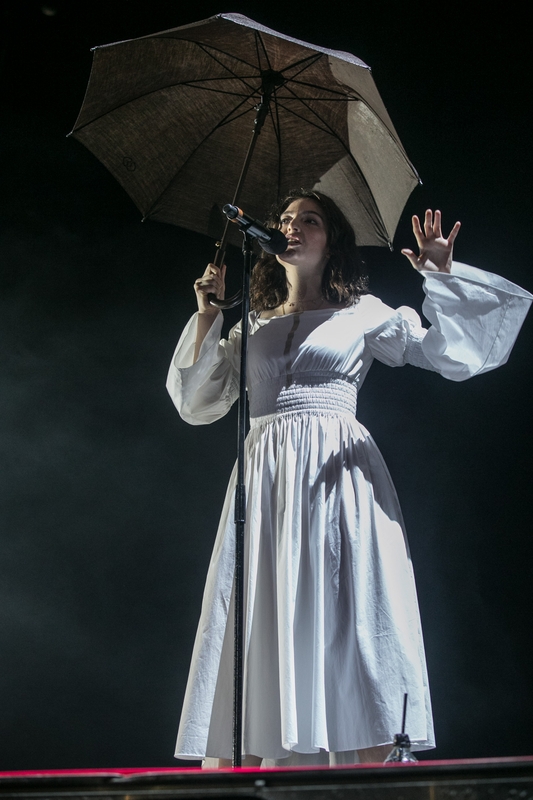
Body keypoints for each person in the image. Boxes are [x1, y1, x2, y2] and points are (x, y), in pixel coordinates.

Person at [167, 190, 531, 768]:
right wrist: (210, 311)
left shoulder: (361, 311)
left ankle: (370, 763)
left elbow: (448, 354)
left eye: (307, 220)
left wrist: (441, 277)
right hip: (266, 479)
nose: (291, 227)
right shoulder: (253, 324)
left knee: (350, 610)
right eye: (284, 219)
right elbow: (196, 401)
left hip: (339, 475)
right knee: (267, 609)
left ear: (330, 240)